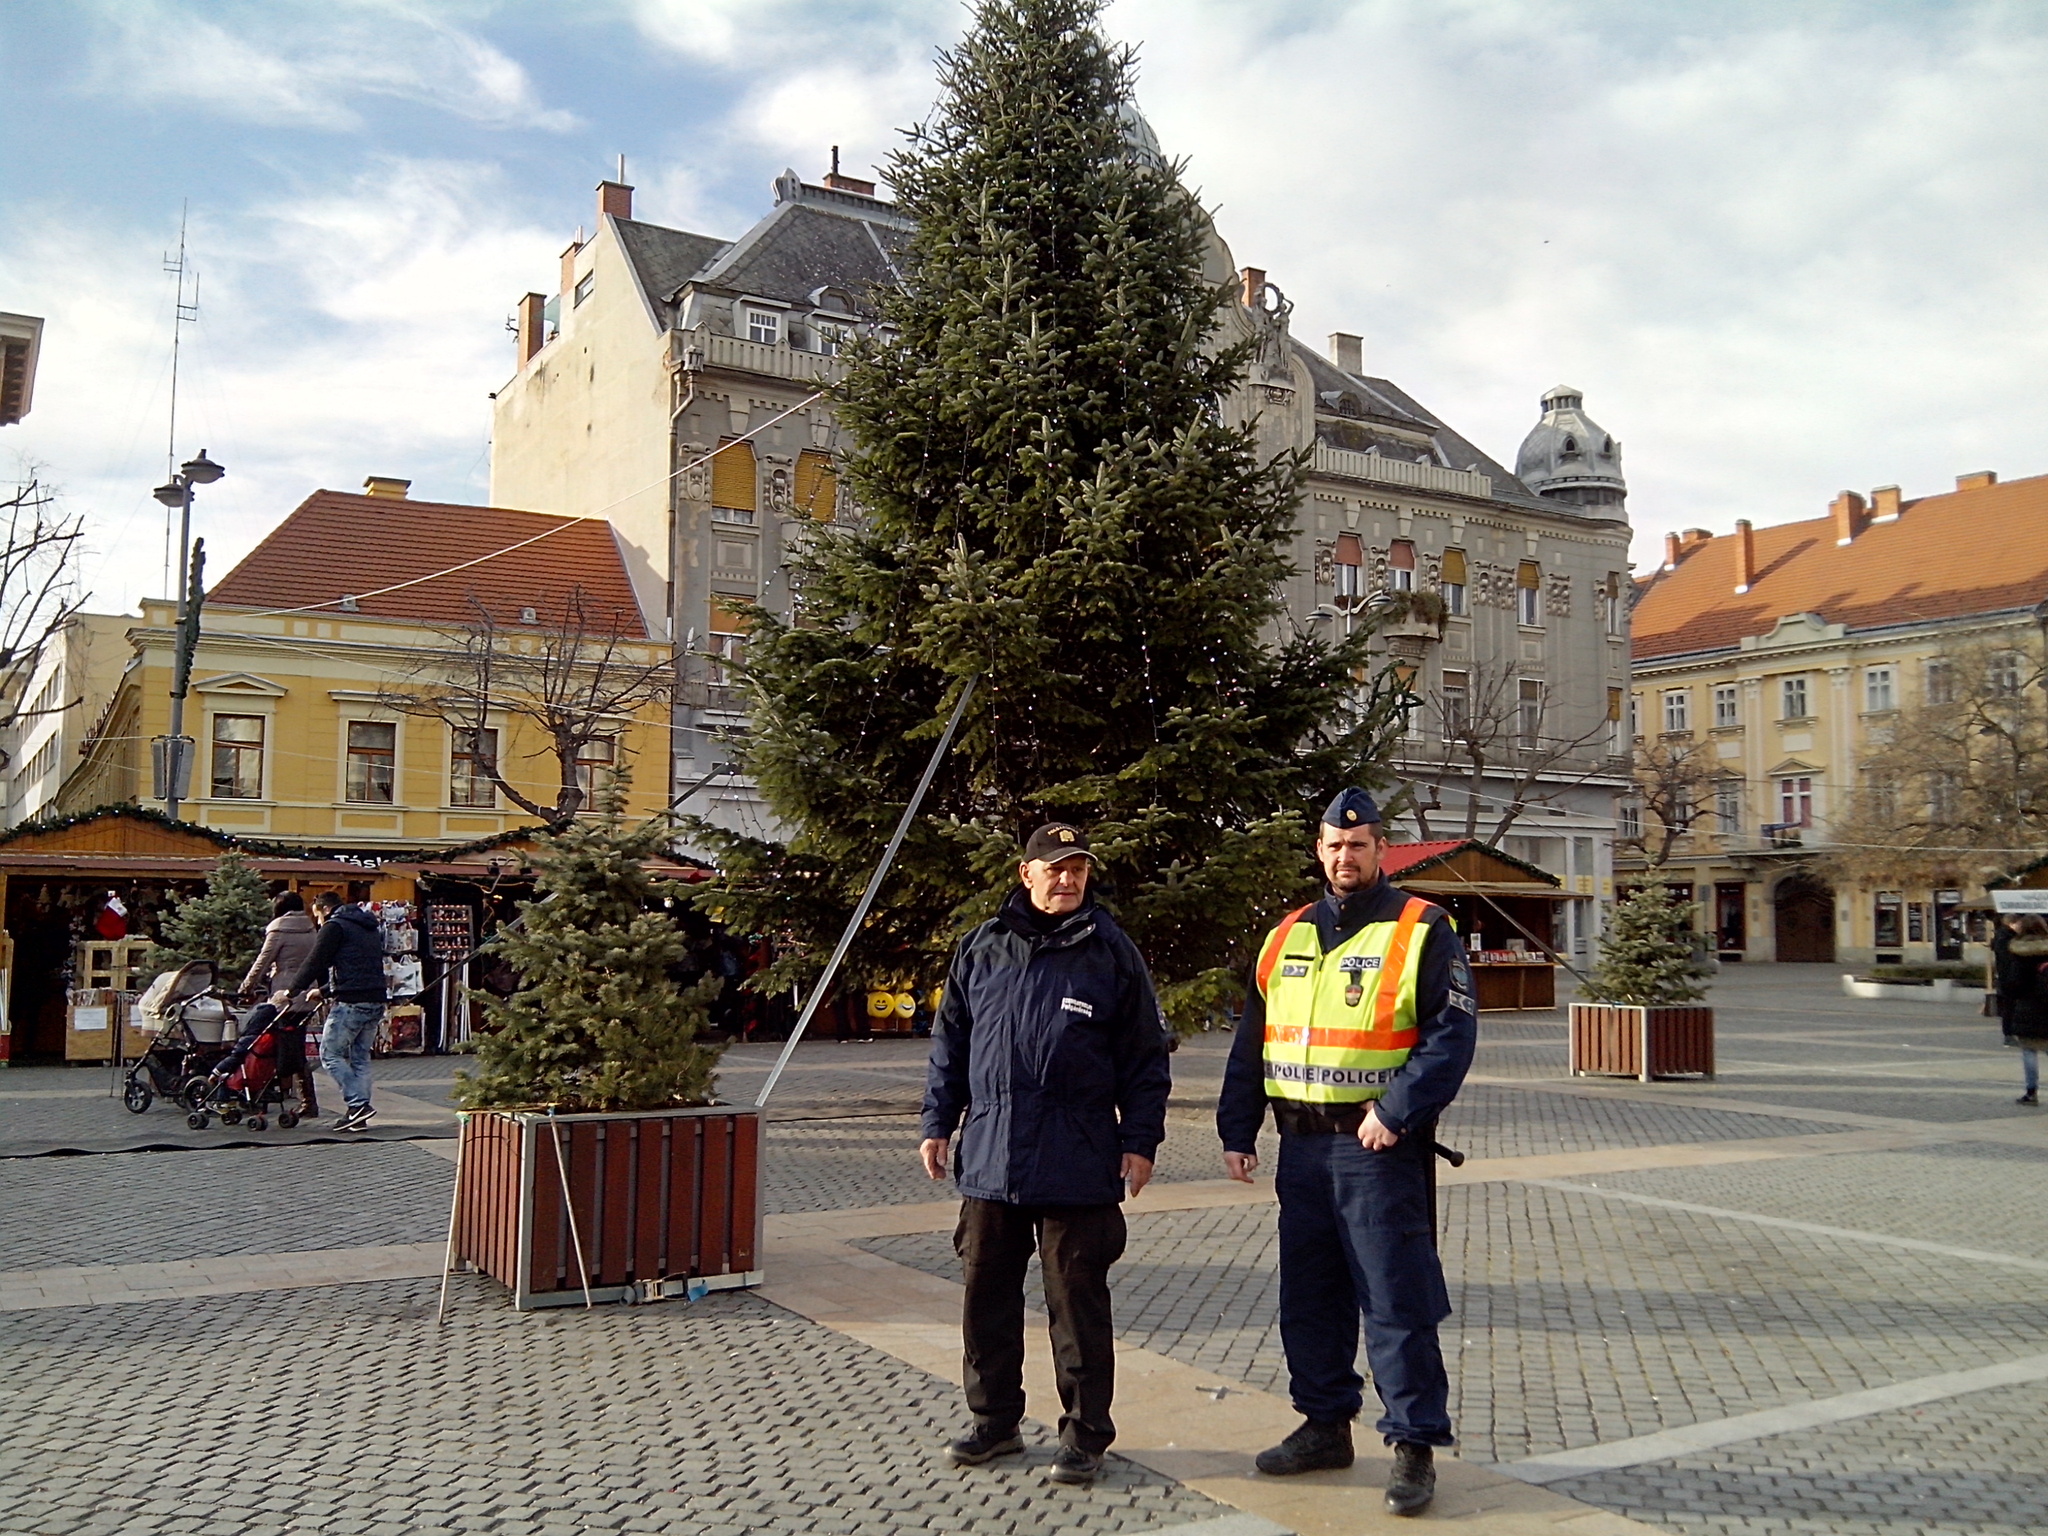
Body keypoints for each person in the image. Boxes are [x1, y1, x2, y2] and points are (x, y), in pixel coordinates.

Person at [1216, 789, 1477, 1517]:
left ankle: (1414, 1445)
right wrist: (1237, 1130)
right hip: (1300, 1151)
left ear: (1380, 850)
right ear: (1319, 851)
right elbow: (1253, 1043)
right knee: (1311, 1297)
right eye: (1333, 845)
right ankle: (1324, 1426)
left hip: (1376, 1151)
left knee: (1395, 1298)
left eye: (1357, 846)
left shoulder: (1423, 928)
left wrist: (1396, 1113)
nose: (1343, 857)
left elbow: (1450, 1037)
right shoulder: (1286, 935)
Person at [919, 822, 1171, 1486]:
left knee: (1077, 1304)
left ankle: (1085, 1436)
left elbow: (1146, 1058)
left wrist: (1140, 1141)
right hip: (992, 1158)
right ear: (1025, 874)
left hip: (1079, 1160)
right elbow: (951, 1044)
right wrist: (937, 1123)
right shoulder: (982, 948)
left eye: (1078, 869)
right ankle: (994, 1423)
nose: (1068, 879)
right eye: (1054, 868)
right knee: (986, 1299)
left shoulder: (1111, 952)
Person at [272, 891, 387, 1132]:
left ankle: (357, 1105)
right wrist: (324, 991)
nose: (317, 921)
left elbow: (315, 962)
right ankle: (359, 1115)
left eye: (316, 915)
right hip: (375, 998)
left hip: (351, 1002)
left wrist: (291, 992)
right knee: (360, 1057)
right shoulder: (367, 926)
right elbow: (357, 965)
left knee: (330, 1055)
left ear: (323, 908)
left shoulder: (334, 927)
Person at [239, 892, 322, 1118]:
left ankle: (264, 1097)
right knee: (295, 1047)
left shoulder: (279, 930)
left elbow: (262, 962)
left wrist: (246, 987)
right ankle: (307, 1099)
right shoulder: (311, 929)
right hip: (307, 996)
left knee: (273, 1047)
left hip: (284, 997)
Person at [1996, 913, 2048, 1106]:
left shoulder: (2018, 952)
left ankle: (2031, 1091)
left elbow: (2012, 985)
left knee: (2029, 1050)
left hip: (2028, 1007)